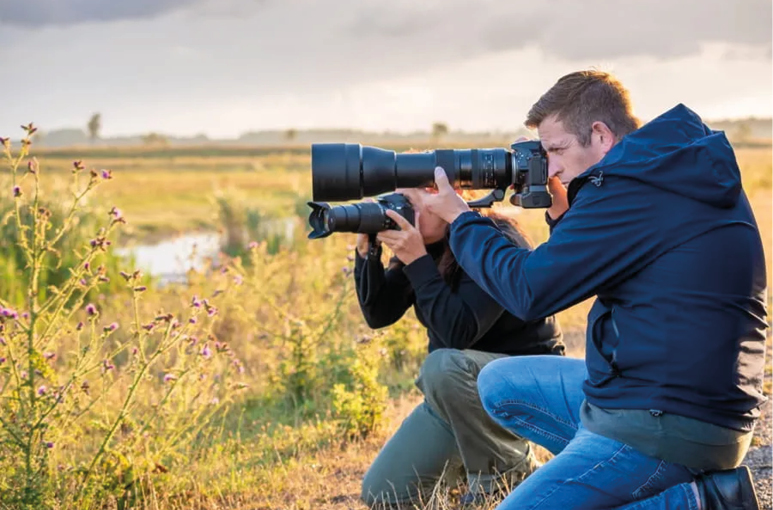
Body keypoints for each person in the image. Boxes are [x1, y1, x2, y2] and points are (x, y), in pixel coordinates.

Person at [419, 70, 768, 509]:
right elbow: (613, 264)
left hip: (670, 421)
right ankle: (603, 476)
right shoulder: (663, 172)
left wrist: (462, 220)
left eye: (557, 150)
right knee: (497, 383)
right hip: (671, 396)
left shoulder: (629, 192)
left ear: (601, 135)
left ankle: (697, 501)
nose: (553, 167)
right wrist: (564, 216)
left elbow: (529, 292)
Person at [355, 188, 565, 507]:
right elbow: (378, 315)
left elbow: (458, 333)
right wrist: (368, 256)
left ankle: (509, 474)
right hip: (462, 397)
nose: (400, 213)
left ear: (443, 197)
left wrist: (418, 262)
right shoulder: (430, 244)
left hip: (525, 389)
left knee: (443, 366)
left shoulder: (493, 240)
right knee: (385, 493)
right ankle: (473, 472)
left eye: (409, 204)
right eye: (394, 203)